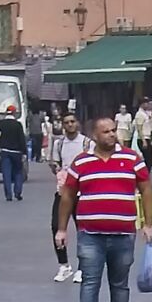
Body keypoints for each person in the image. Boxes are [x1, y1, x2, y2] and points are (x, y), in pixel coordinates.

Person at [60, 114, 152, 302]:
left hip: (123, 235)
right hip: (90, 234)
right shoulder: (81, 162)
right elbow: (68, 196)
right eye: (106, 131)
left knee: (120, 285)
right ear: (95, 135)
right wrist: (62, 229)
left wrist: (148, 224)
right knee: (90, 283)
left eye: (114, 130)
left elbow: (146, 190)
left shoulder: (132, 159)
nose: (112, 134)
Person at [49, 115, 84, 281]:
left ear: (77, 123)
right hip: (63, 192)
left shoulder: (87, 143)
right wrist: (57, 169)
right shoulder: (59, 143)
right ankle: (64, 265)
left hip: (83, 192)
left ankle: (83, 267)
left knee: (83, 230)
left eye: (72, 121)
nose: (70, 124)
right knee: (57, 226)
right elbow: (54, 163)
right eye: (66, 122)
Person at [0, 102, 25, 201]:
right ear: (14, 113)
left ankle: (8, 195)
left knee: (6, 173)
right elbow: (22, 139)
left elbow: (0, 130)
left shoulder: (1, 123)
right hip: (16, 152)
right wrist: (24, 152)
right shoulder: (18, 125)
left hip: (5, 151)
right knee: (18, 172)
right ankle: (18, 192)